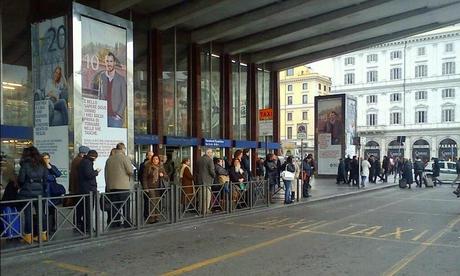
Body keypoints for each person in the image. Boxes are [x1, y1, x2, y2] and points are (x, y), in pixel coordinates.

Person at [17, 147, 48, 244]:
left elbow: (21, 179)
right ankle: (42, 235)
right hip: (39, 193)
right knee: (41, 214)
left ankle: (28, 237)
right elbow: (46, 180)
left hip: (27, 193)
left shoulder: (25, 165)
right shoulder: (42, 164)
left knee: (28, 215)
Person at [104, 148, 133, 228]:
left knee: (115, 206)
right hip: (123, 186)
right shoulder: (124, 158)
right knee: (125, 206)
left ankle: (115, 222)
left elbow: (106, 173)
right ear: (122, 150)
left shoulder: (109, 159)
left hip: (112, 186)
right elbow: (130, 170)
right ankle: (127, 222)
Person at [98, 52, 127, 128]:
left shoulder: (121, 79)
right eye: (107, 61)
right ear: (105, 62)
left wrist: (119, 115)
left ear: (114, 63)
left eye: (111, 61)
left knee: (116, 140)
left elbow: (124, 99)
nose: (109, 64)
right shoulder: (102, 76)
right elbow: (99, 96)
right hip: (103, 117)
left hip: (116, 118)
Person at [42, 153, 65, 234]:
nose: (46, 160)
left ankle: (52, 226)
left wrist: (50, 168)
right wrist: (52, 177)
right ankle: (45, 228)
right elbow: (43, 177)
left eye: (47, 158)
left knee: (52, 210)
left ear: (49, 159)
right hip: (44, 192)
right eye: (44, 158)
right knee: (43, 210)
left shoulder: (52, 166)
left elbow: (58, 174)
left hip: (52, 192)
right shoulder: (40, 167)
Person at [78, 150, 100, 232]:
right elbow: (88, 175)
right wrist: (96, 172)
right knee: (89, 209)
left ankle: (85, 226)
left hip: (84, 188)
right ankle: (89, 227)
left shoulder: (83, 161)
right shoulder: (87, 162)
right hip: (89, 189)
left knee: (86, 208)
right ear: (94, 156)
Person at [142, 155, 168, 223]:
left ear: (159, 160)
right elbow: (144, 178)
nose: (155, 160)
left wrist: (163, 175)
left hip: (159, 187)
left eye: (156, 159)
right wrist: (145, 187)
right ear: (152, 160)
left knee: (157, 202)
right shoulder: (148, 167)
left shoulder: (161, 168)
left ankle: (157, 217)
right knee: (152, 202)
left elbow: (166, 177)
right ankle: (152, 218)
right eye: (154, 159)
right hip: (151, 187)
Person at [195, 149, 215, 214]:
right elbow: (212, 171)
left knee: (201, 196)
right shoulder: (210, 160)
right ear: (208, 153)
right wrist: (214, 176)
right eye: (211, 152)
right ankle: (206, 210)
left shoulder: (199, 160)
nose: (212, 154)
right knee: (207, 196)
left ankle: (200, 209)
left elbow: (197, 170)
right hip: (208, 181)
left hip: (200, 180)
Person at [138, 150, 153, 219]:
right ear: (147, 156)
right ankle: (146, 215)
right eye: (150, 155)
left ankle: (153, 214)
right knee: (147, 201)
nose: (151, 157)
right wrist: (144, 185)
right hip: (146, 186)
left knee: (154, 200)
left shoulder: (154, 164)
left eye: (152, 155)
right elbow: (140, 176)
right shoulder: (143, 164)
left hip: (154, 186)